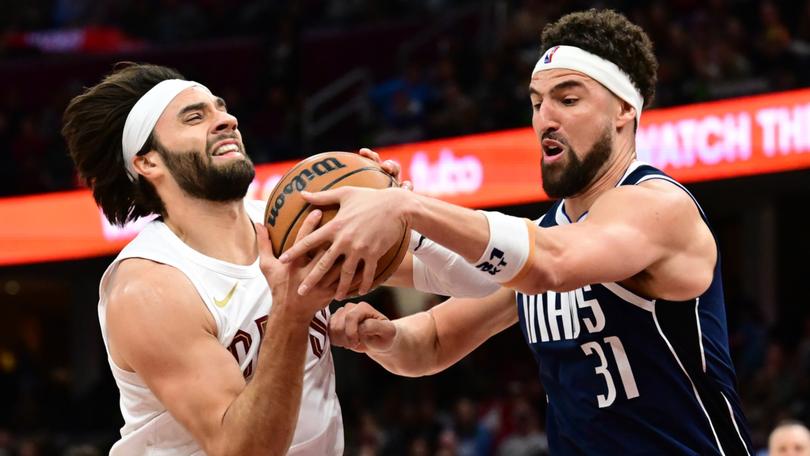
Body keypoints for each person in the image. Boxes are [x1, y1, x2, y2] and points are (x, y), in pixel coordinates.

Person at [281, 9, 754, 455]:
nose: (546, 118)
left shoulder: (658, 207)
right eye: (536, 103)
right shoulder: (545, 235)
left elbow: (552, 263)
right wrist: (381, 336)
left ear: (623, 111)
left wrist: (406, 207)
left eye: (568, 99)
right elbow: (433, 343)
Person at [61, 63, 351, 455]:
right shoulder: (148, 287)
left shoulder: (288, 222)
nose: (227, 120)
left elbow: (450, 295)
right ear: (148, 162)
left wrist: (402, 212)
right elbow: (243, 450)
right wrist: (291, 313)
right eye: (196, 117)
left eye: (221, 108)